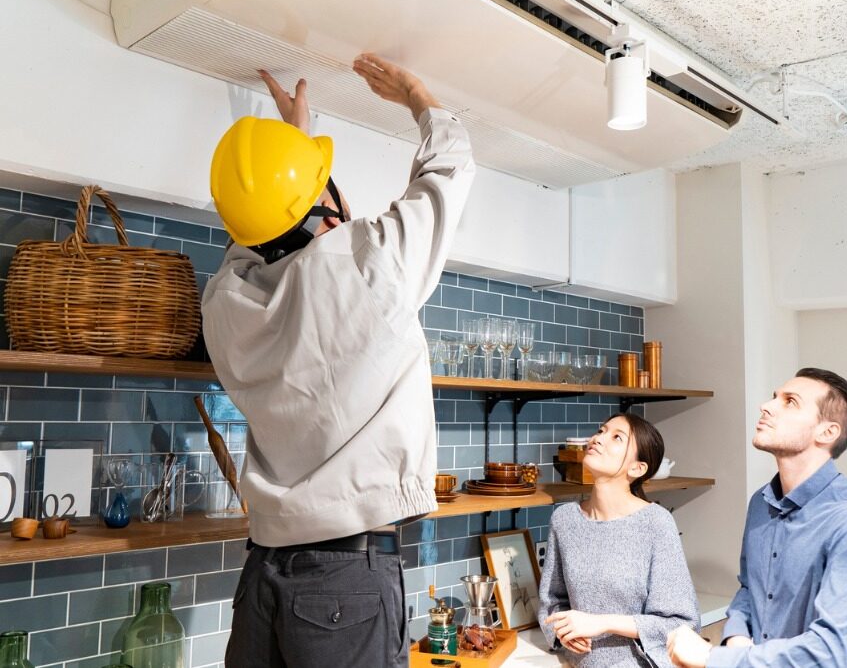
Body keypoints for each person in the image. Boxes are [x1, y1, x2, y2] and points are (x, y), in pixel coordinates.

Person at [202, 54, 475, 667]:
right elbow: (449, 170)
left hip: (262, 573)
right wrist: (415, 91)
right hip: (345, 583)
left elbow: (258, 237)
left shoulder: (225, 303)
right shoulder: (370, 262)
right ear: (327, 206)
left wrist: (285, 165)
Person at [667, 368, 847, 668]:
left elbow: (832, 656)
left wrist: (714, 658)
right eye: (774, 397)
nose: (767, 406)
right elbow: (751, 589)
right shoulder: (760, 503)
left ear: (827, 432)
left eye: (790, 401)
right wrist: (736, 637)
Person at [539, 412, 700, 667]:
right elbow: (553, 602)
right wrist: (561, 633)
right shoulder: (564, 519)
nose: (598, 438)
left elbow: (682, 624)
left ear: (637, 468)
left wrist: (602, 622)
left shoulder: (656, 523)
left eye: (616, 437)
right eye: (601, 431)